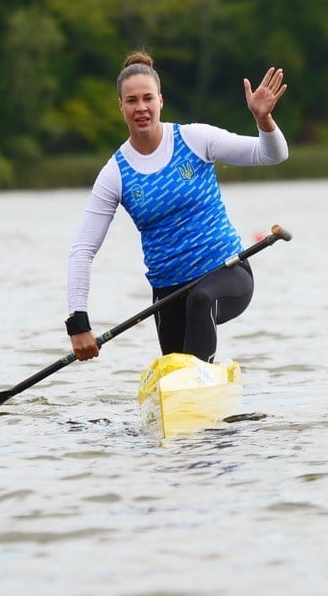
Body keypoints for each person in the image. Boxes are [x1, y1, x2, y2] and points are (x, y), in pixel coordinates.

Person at [66, 51, 289, 364]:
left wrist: (263, 120)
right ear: (121, 106)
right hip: (168, 294)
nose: (141, 108)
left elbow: (272, 155)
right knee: (175, 364)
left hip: (227, 273)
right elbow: (82, 251)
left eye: (148, 98)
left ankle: (199, 382)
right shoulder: (115, 173)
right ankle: (189, 391)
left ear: (161, 100)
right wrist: (78, 325)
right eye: (131, 101)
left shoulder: (194, 139)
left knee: (201, 299)